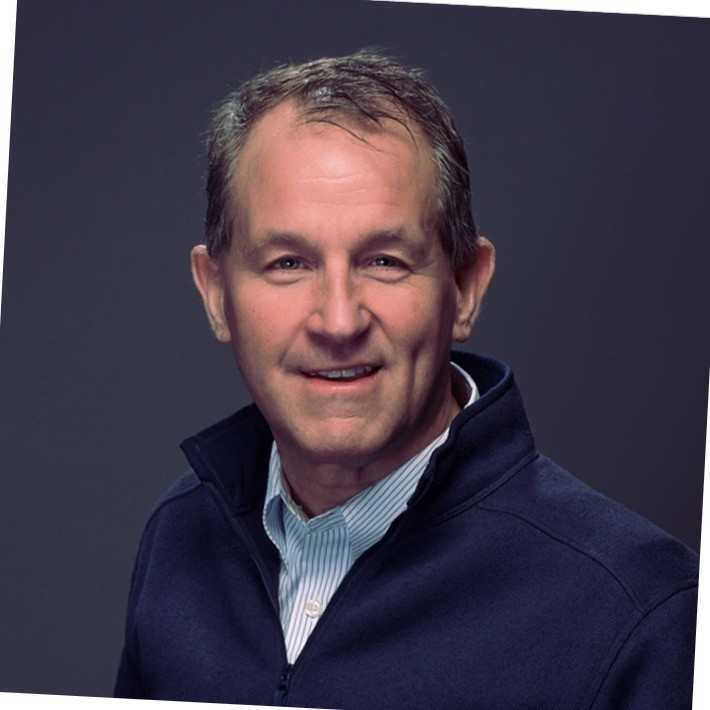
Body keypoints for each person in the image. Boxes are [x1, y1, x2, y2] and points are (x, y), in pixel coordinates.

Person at [114, 50, 698, 708]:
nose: (338, 320)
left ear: (465, 288)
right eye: (288, 263)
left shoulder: (639, 608)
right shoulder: (180, 534)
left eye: (385, 261)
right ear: (216, 294)